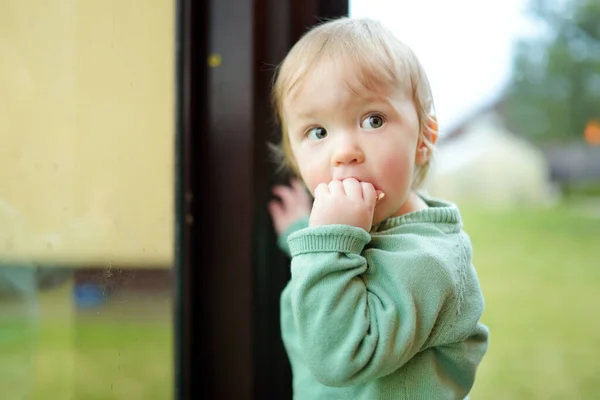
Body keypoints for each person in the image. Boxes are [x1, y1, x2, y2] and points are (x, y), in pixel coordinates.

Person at [267, 17, 489, 399]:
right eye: (317, 132)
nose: (344, 152)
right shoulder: (369, 229)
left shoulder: (429, 262)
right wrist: (303, 233)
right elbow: (353, 268)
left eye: (373, 120)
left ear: (423, 138)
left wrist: (325, 240)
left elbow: (342, 357)